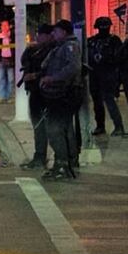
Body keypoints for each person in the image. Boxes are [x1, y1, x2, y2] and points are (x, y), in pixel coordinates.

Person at [40, 20, 84, 180]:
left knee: (54, 128)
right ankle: (68, 163)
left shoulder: (70, 46)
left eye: (56, 31)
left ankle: (62, 165)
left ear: (64, 32)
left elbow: (73, 68)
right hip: (60, 93)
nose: (53, 34)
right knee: (65, 128)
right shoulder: (61, 46)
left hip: (66, 94)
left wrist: (52, 78)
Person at [19, 24, 55, 169]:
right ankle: (40, 156)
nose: (37, 37)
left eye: (40, 34)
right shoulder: (34, 50)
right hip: (35, 91)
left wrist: (35, 75)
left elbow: (51, 69)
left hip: (47, 92)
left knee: (45, 126)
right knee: (38, 125)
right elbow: (24, 60)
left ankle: (44, 158)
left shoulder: (53, 50)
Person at [86, 16, 126, 136]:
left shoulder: (114, 40)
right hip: (95, 75)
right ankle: (100, 126)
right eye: (101, 27)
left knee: (110, 101)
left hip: (108, 75)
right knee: (97, 102)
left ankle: (118, 126)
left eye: (106, 27)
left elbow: (119, 58)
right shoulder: (91, 41)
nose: (104, 29)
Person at [0, 19, 14, 102]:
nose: (4, 27)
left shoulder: (12, 35)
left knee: (10, 79)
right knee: (1, 78)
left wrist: (9, 38)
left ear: (9, 26)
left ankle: (8, 96)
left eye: (6, 25)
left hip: (10, 59)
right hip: (0, 59)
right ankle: (2, 97)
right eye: (3, 25)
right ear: (0, 27)